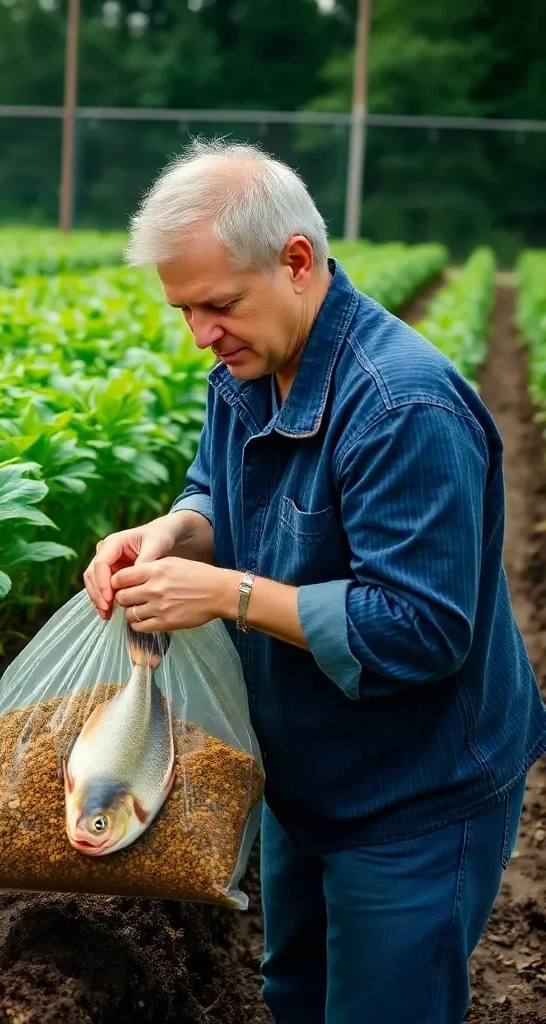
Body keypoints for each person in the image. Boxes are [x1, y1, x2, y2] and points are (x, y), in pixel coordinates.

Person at [82, 138, 546, 1024]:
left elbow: (421, 627)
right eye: (183, 311)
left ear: (297, 261)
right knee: (294, 993)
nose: (201, 337)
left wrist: (224, 594)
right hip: (303, 767)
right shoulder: (248, 368)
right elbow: (219, 487)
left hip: (415, 791)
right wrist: (173, 530)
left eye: (218, 306)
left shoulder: (403, 407)